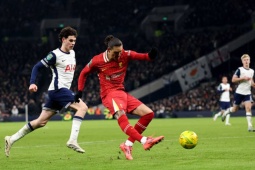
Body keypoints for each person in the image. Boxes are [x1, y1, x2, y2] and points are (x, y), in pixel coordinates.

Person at [76, 35, 164, 160]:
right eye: (116, 53)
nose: (119, 56)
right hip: (109, 94)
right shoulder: (97, 60)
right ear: (109, 49)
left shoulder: (124, 54)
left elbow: (142, 56)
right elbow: (83, 73)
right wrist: (80, 91)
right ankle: (145, 140)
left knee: (148, 114)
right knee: (122, 116)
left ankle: (127, 144)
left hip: (122, 93)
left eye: (120, 52)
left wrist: (151, 55)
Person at [4, 26, 88, 157]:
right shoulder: (55, 55)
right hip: (58, 90)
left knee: (40, 122)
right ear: (63, 39)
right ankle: (72, 140)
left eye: (74, 41)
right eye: (70, 40)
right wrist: (32, 82)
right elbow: (37, 67)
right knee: (82, 107)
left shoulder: (73, 53)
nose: (73, 43)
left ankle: (11, 139)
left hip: (61, 91)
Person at [222, 54, 255, 132]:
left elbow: (251, 82)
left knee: (248, 108)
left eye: (247, 59)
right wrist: (243, 78)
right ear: (242, 61)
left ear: (249, 61)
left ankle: (250, 126)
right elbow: (233, 80)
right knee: (234, 109)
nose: (246, 61)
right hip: (239, 92)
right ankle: (226, 112)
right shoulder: (239, 69)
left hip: (247, 93)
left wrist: (253, 84)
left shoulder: (252, 71)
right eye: (245, 60)